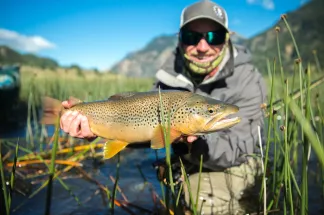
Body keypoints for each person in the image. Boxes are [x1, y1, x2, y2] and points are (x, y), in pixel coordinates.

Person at [59, 0, 267, 214]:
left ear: (226, 38)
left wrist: (189, 145)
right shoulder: (167, 79)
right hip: (183, 159)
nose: (203, 47)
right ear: (180, 39)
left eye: (213, 36)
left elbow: (239, 150)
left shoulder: (249, 81)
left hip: (234, 163)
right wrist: (97, 129)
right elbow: (141, 129)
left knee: (202, 200)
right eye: (192, 37)